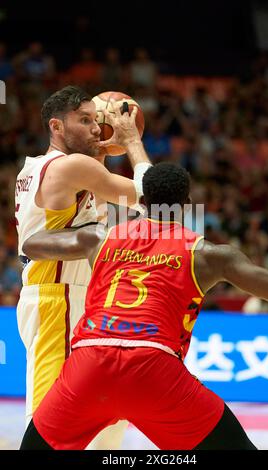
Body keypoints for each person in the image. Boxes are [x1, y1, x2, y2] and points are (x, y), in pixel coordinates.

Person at [20, 161, 268, 450]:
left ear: (142, 202)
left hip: (89, 363)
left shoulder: (101, 238)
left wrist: (92, 225)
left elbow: (32, 244)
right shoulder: (208, 254)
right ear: (187, 206)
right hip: (153, 368)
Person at [15, 85, 152, 450]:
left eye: (97, 120)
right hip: (57, 302)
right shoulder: (72, 166)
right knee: (51, 422)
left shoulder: (39, 167)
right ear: (57, 126)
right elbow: (154, 196)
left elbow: (88, 202)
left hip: (79, 301)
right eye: (86, 120)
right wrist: (132, 141)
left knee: (106, 415)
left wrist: (101, 152)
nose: (96, 128)